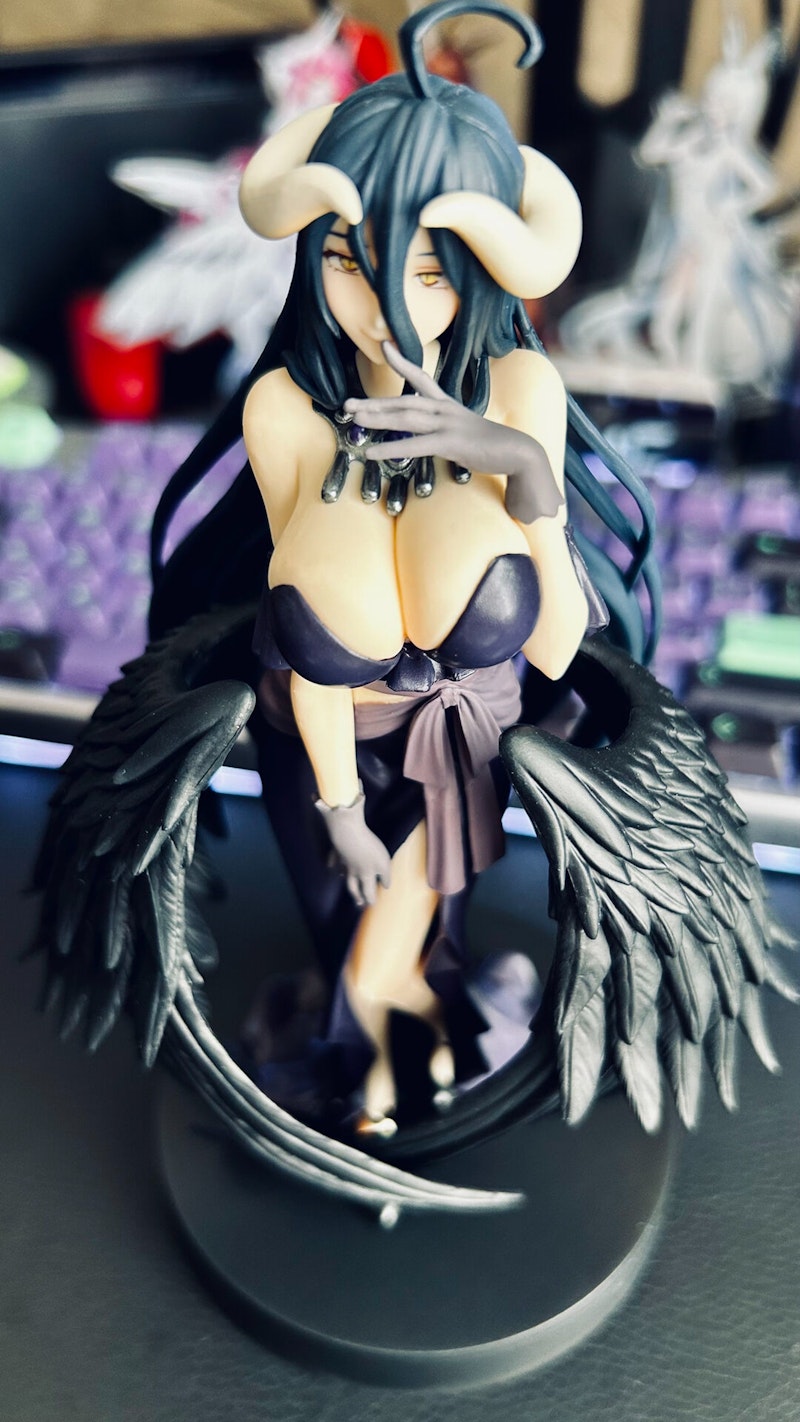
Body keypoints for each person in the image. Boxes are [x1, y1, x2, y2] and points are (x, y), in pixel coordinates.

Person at [148, 0, 659, 1136]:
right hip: (318, 752)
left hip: (459, 758)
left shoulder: (518, 392)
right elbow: (310, 659)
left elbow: (554, 650)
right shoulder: (287, 410)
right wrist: (338, 808)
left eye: (430, 270)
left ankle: (390, 1093)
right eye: (347, 261)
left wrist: (520, 471)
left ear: (479, 273)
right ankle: (379, 1080)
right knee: (339, 929)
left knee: (415, 946)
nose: (385, 308)